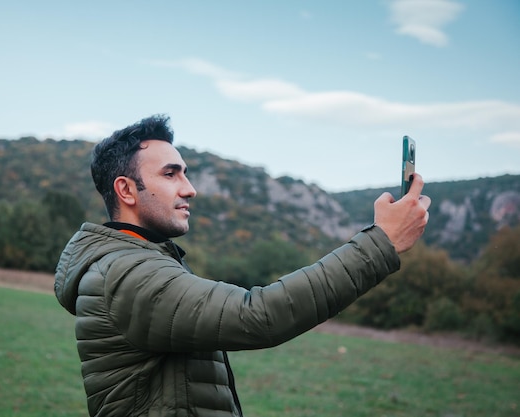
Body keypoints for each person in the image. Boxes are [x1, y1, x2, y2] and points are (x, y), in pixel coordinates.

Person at [54, 114, 431, 417]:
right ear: (126, 190)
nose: (189, 188)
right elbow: (259, 315)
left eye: (184, 172)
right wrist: (380, 243)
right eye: (171, 174)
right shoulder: (125, 274)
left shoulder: (136, 262)